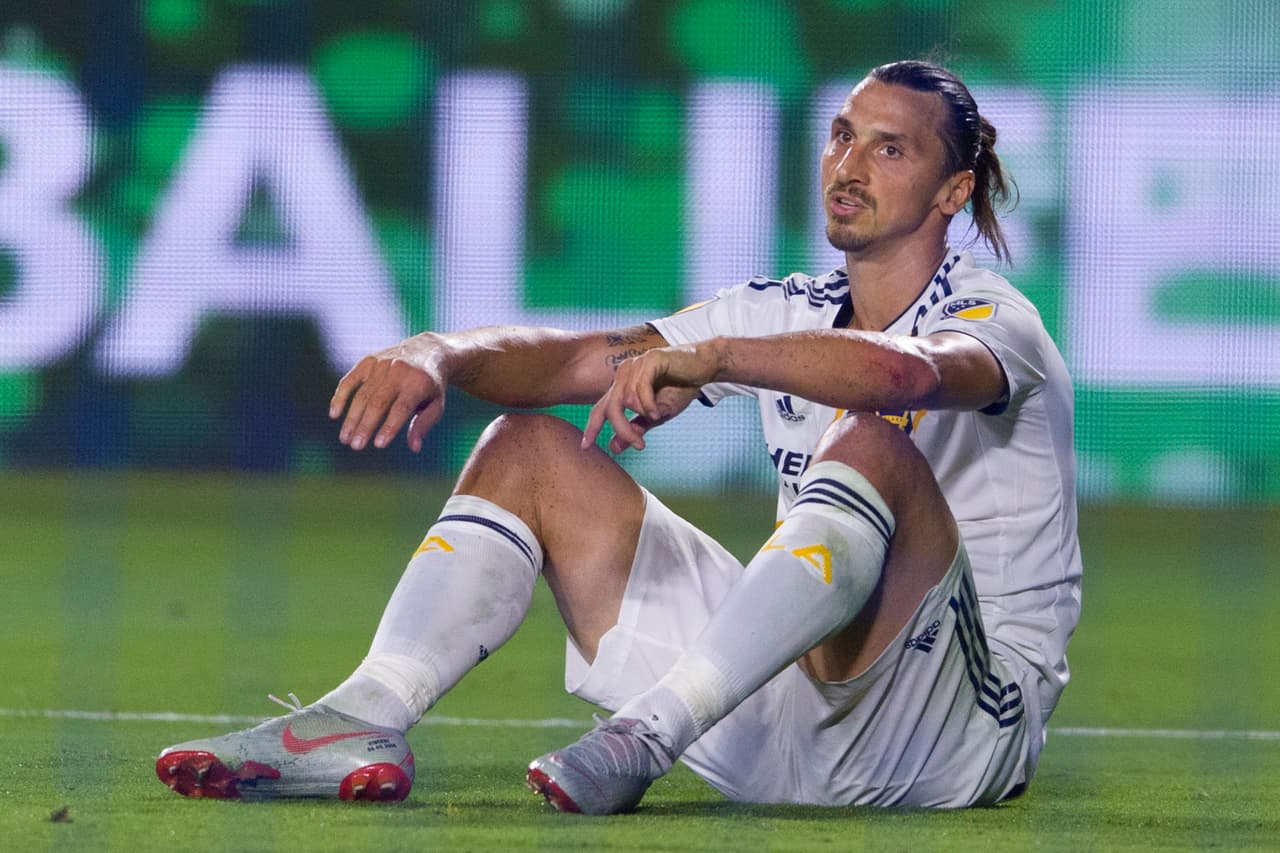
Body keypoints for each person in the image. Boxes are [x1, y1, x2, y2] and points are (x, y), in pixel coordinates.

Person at [156, 59, 1080, 811]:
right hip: (783, 723)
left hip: (956, 738)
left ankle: (645, 734)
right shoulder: (786, 308)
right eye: (842, 134)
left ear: (954, 188)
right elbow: (575, 361)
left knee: (870, 441)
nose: (849, 165)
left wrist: (717, 357)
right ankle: (362, 713)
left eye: (890, 148)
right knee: (528, 449)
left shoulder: (996, 316)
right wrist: (442, 352)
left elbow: (908, 376)